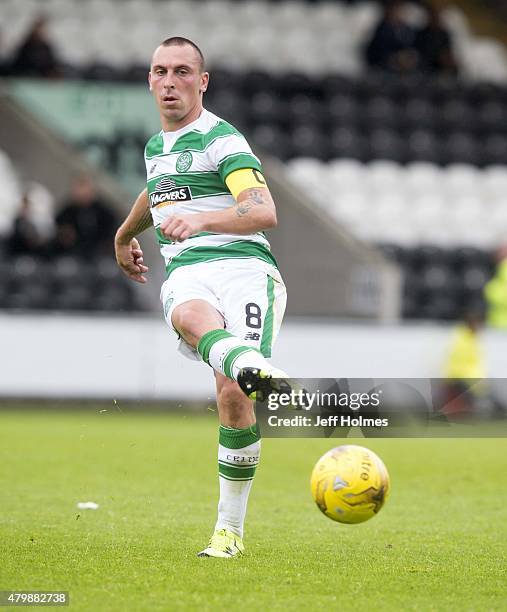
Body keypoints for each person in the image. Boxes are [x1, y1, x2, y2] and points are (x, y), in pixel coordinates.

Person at [114, 37, 298, 558]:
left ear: (202, 81)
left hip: (245, 269)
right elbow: (157, 192)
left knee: (232, 397)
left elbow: (262, 209)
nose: (169, 81)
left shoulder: (223, 140)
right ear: (149, 81)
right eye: (159, 71)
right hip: (189, 272)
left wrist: (200, 219)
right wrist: (125, 235)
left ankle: (229, 531)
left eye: (181, 71)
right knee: (189, 315)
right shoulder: (157, 148)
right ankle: (257, 371)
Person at [54, 177, 117, 257]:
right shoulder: (67, 211)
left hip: (98, 253)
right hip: (72, 253)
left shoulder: (104, 211)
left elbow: (112, 229)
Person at [364, 0, 419, 74]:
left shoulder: (407, 29)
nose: (397, 13)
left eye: (399, 10)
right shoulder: (381, 30)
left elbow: (413, 48)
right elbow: (376, 53)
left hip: (406, 70)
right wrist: (395, 59)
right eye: (394, 10)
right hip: (385, 70)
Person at [415, 3, 458, 76]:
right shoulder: (422, 33)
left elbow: (447, 50)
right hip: (427, 63)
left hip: (440, 63)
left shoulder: (444, 33)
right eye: (433, 16)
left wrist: (446, 58)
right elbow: (420, 51)